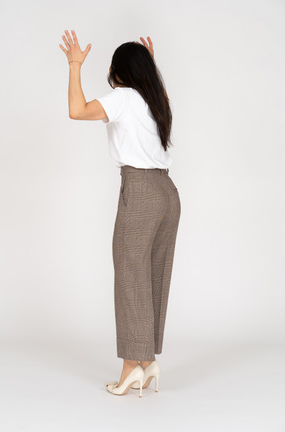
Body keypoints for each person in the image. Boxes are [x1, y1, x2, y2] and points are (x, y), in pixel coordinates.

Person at [59, 30, 181, 397]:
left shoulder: (125, 98)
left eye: (112, 65)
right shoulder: (155, 99)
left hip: (141, 192)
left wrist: (75, 65)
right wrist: (151, 64)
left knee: (130, 278)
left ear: (120, 70)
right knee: (153, 275)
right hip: (169, 194)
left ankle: (132, 366)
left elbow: (76, 111)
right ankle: (147, 361)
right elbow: (157, 91)